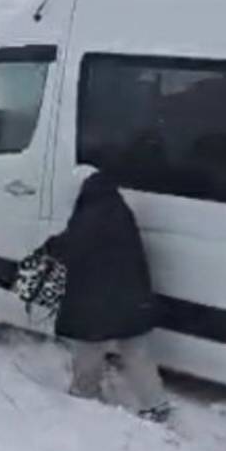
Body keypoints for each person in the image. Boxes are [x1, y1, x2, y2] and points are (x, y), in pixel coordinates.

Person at [43, 167, 170, 421]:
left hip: (99, 300)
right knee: (136, 351)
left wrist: (51, 247)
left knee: (89, 348)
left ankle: (84, 394)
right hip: (132, 295)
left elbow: (74, 245)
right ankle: (155, 403)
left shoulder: (92, 213)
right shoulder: (117, 207)